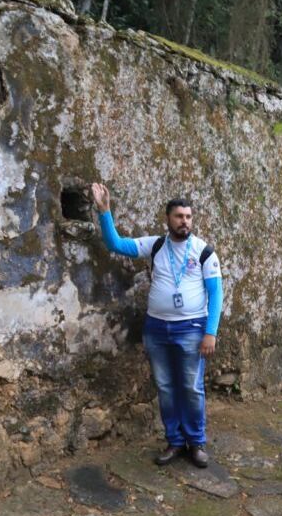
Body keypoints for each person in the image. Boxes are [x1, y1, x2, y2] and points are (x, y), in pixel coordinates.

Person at [91, 183, 222, 468]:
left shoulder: (204, 252)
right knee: (165, 386)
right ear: (168, 219)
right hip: (157, 329)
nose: (184, 221)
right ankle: (174, 441)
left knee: (192, 387)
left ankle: (196, 442)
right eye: (179, 216)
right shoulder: (156, 245)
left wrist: (210, 332)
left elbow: (216, 294)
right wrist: (104, 211)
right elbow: (116, 244)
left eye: (188, 216)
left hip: (191, 328)